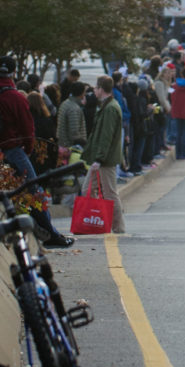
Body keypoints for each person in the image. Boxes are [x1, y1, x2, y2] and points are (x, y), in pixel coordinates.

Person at [0, 56, 74, 248]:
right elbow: (27, 129)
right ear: (14, 73)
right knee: (35, 192)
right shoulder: (15, 97)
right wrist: (28, 149)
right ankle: (51, 235)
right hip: (14, 150)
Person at [81, 75, 126, 234]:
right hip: (101, 158)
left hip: (105, 159)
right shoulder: (107, 106)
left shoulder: (110, 108)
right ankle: (96, 224)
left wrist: (99, 158)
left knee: (110, 193)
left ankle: (118, 227)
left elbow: (106, 136)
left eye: (95, 88)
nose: (94, 91)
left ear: (101, 89)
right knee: (88, 189)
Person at [57, 81, 87, 148]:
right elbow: (74, 133)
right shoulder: (74, 109)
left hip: (62, 144)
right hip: (70, 147)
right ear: (82, 93)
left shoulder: (65, 103)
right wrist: (84, 143)